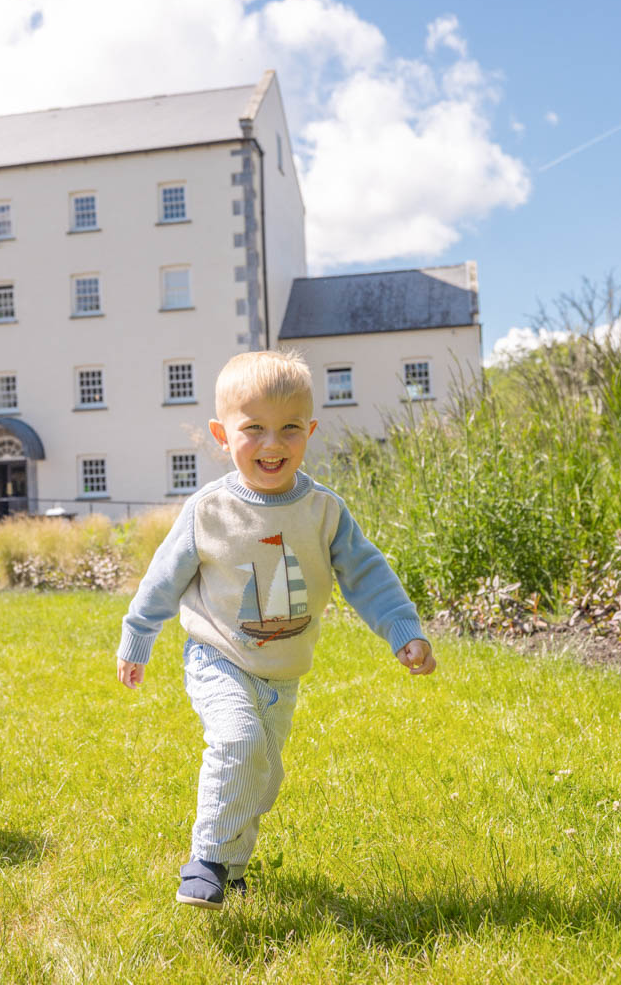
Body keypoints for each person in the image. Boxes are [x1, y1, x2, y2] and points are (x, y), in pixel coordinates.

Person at [115, 350, 437, 909]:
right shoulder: (209, 509)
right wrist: (138, 636)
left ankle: (233, 872)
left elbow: (367, 574)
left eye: (290, 428)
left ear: (310, 430)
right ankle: (207, 859)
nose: (273, 443)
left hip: (282, 672)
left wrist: (402, 629)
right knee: (237, 742)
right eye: (254, 429)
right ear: (222, 434)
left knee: (262, 777)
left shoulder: (322, 511)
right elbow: (162, 579)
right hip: (219, 656)